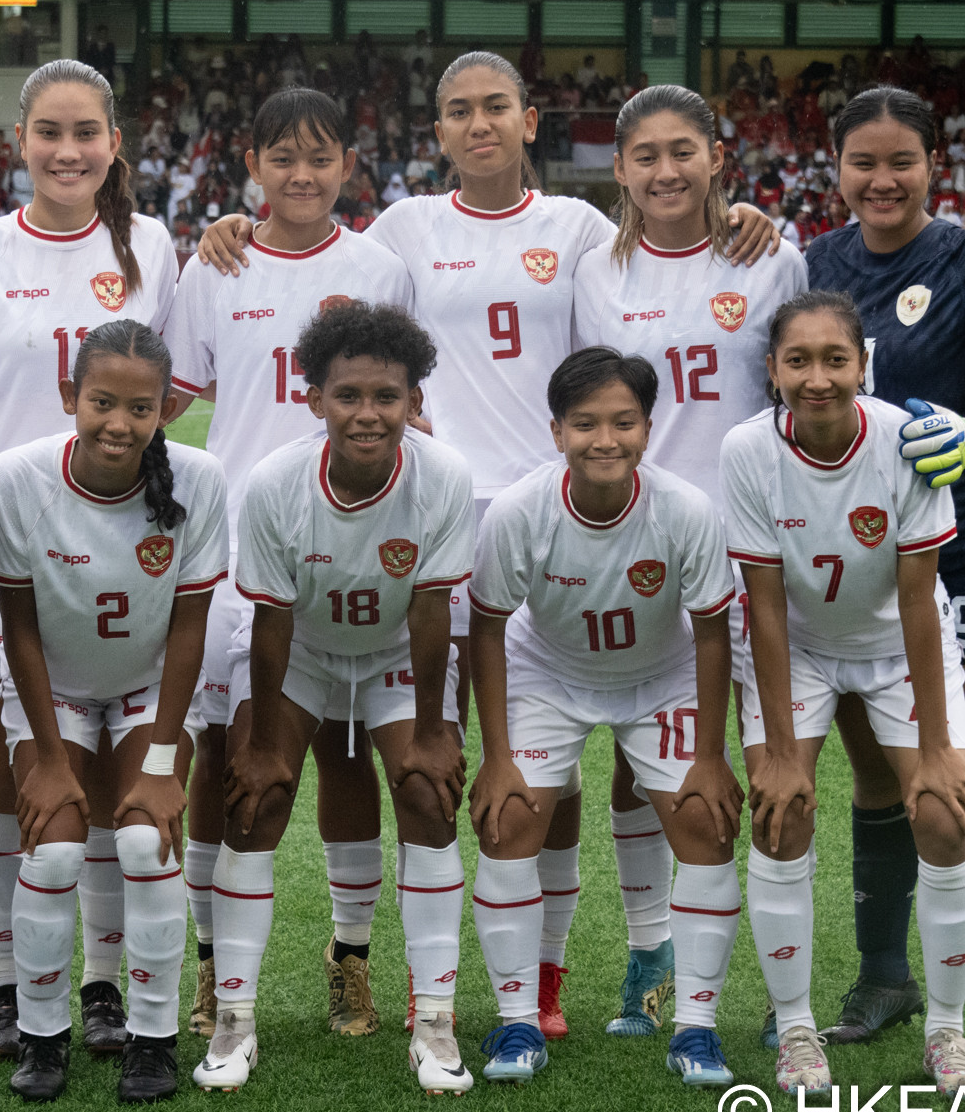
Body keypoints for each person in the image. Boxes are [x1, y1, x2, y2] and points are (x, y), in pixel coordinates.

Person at [196, 53, 776, 1037]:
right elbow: (319, 257)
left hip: (557, 510)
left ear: (529, 119)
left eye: (496, 107)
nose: (479, 124)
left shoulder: (581, 229)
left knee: (562, 759)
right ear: (438, 132)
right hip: (428, 511)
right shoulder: (403, 231)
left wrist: (738, 216)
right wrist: (235, 225)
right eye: (459, 110)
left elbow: (664, 255)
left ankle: (569, 969)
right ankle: (391, 966)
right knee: (406, 747)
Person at [0, 57, 178, 1063]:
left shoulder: (153, 244)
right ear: (18, 142)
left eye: (87, 133)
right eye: (50, 133)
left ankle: (102, 985)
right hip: (3, 544)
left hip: (120, 542)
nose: (68, 151)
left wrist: (110, 449)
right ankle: (5, 987)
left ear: (115, 143)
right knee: (2, 769)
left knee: (107, 778)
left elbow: (171, 386)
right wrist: (3, 444)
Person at [804, 86, 965, 1070]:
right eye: (862, 162)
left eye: (900, 160)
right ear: (836, 168)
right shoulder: (812, 264)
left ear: (932, 166)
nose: (882, 179)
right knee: (878, 775)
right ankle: (884, 975)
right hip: (856, 564)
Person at [164, 88, 412, 1042]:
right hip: (238, 547)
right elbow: (172, 398)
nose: (301, 176)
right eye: (282, 158)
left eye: (319, 158)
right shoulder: (215, 264)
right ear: (252, 166)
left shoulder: (379, 268)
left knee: (348, 748)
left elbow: (404, 396)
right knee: (222, 757)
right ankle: (211, 964)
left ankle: (350, 957)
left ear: (348, 163)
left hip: (355, 539)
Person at [571, 84, 807, 1038]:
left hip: (750, 550)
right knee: (640, 763)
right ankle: (651, 957)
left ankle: (783, 995)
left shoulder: (772, 258)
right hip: (638, 545)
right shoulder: (594, 269)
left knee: (770, 760)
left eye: (683, 152)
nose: (666, 171)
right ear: (620, 168)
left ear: (718, 158)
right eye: (646, 155)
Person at [196, 301, 475, 1095]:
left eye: (387, 396)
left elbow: (431, 611)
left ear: (414, 400)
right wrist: (259, 745)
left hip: (393, 651)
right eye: (347, 395)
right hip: (302, 651)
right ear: (314, 397)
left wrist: (433, 730)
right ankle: (234, 1021)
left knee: (428, 793)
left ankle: (435, 1025)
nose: (367, 413)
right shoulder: (277, 481)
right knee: (256, 797)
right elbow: (272, 620)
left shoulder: (444, 475)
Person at [722, 289, 965, 1098]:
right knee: (780, 814)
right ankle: (796, 1028)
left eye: (835, 359)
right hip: (797, 649)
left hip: (896, 648)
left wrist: (936, 750)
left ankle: (947, 1033)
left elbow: (917, 601)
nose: (818, 378)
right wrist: (776, 752)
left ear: (863, 364)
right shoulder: (746, 450)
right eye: (798, 361)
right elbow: (765, 606)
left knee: (943, 815)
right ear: (773, 370)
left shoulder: (905, 444)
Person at [466, 347, 740, 1087]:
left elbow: (712, 634)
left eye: (624, 422)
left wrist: (710, 756)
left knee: (706, 821)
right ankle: (518, 1022)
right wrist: (497, 756)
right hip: (549, 673)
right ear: (556, 431)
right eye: (585, 423)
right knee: (508, 819)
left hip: (660, 677)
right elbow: (486, 628)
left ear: (648, 428)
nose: (605, 439)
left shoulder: (686, 510)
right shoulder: (520, 510)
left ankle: (697, 1029)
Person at [0, 320, 227, 1104]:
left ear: (166, 410)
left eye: (140, 408)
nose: (119, 423)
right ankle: (41, 1034)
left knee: (146, 844)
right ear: (70, 396)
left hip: (147, 690)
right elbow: (19, 627)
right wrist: (49, 757)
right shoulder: (18, 477)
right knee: (54, 854)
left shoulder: (199, 479)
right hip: (52, 691)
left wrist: (160, 764)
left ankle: (153, 1041)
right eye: (101, 402)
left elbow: (189, 629)